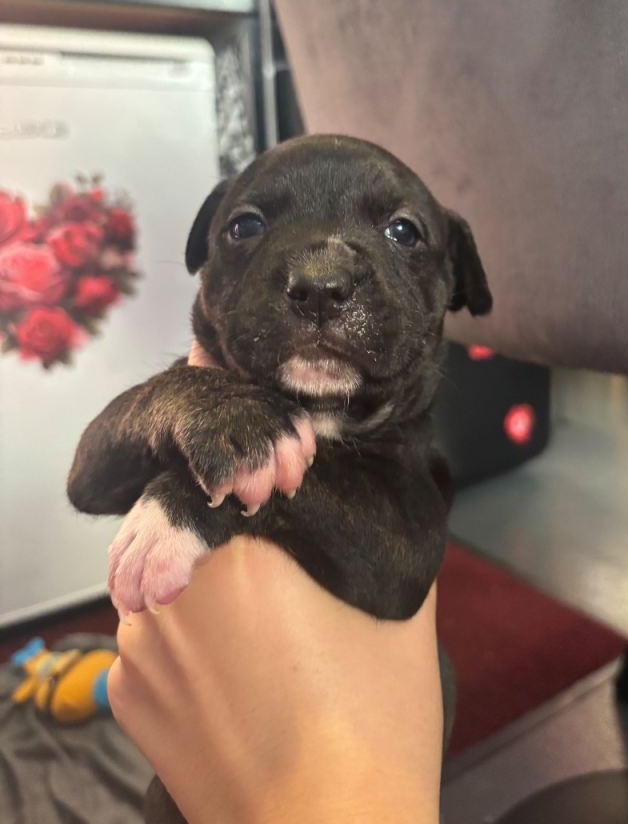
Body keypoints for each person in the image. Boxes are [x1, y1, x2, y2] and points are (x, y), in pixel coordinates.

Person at [107, 343, 444, 824]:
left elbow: (400, 575)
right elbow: (89, 481)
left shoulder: (402, 458)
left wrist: (212, 498)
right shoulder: (221, 374)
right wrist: (187, 395)